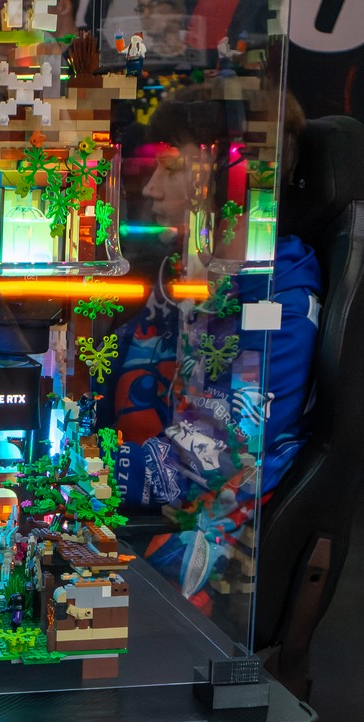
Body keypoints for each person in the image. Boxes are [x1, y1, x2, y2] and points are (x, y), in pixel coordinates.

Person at [109, 80, 321, 602]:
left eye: (170, 167)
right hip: (142, 518)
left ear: (230, 174)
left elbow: (207, 464)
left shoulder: (276, 307)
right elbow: (118, 370)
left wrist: (88, 474)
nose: (150, 188)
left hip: (198, 569)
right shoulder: (191, 279)